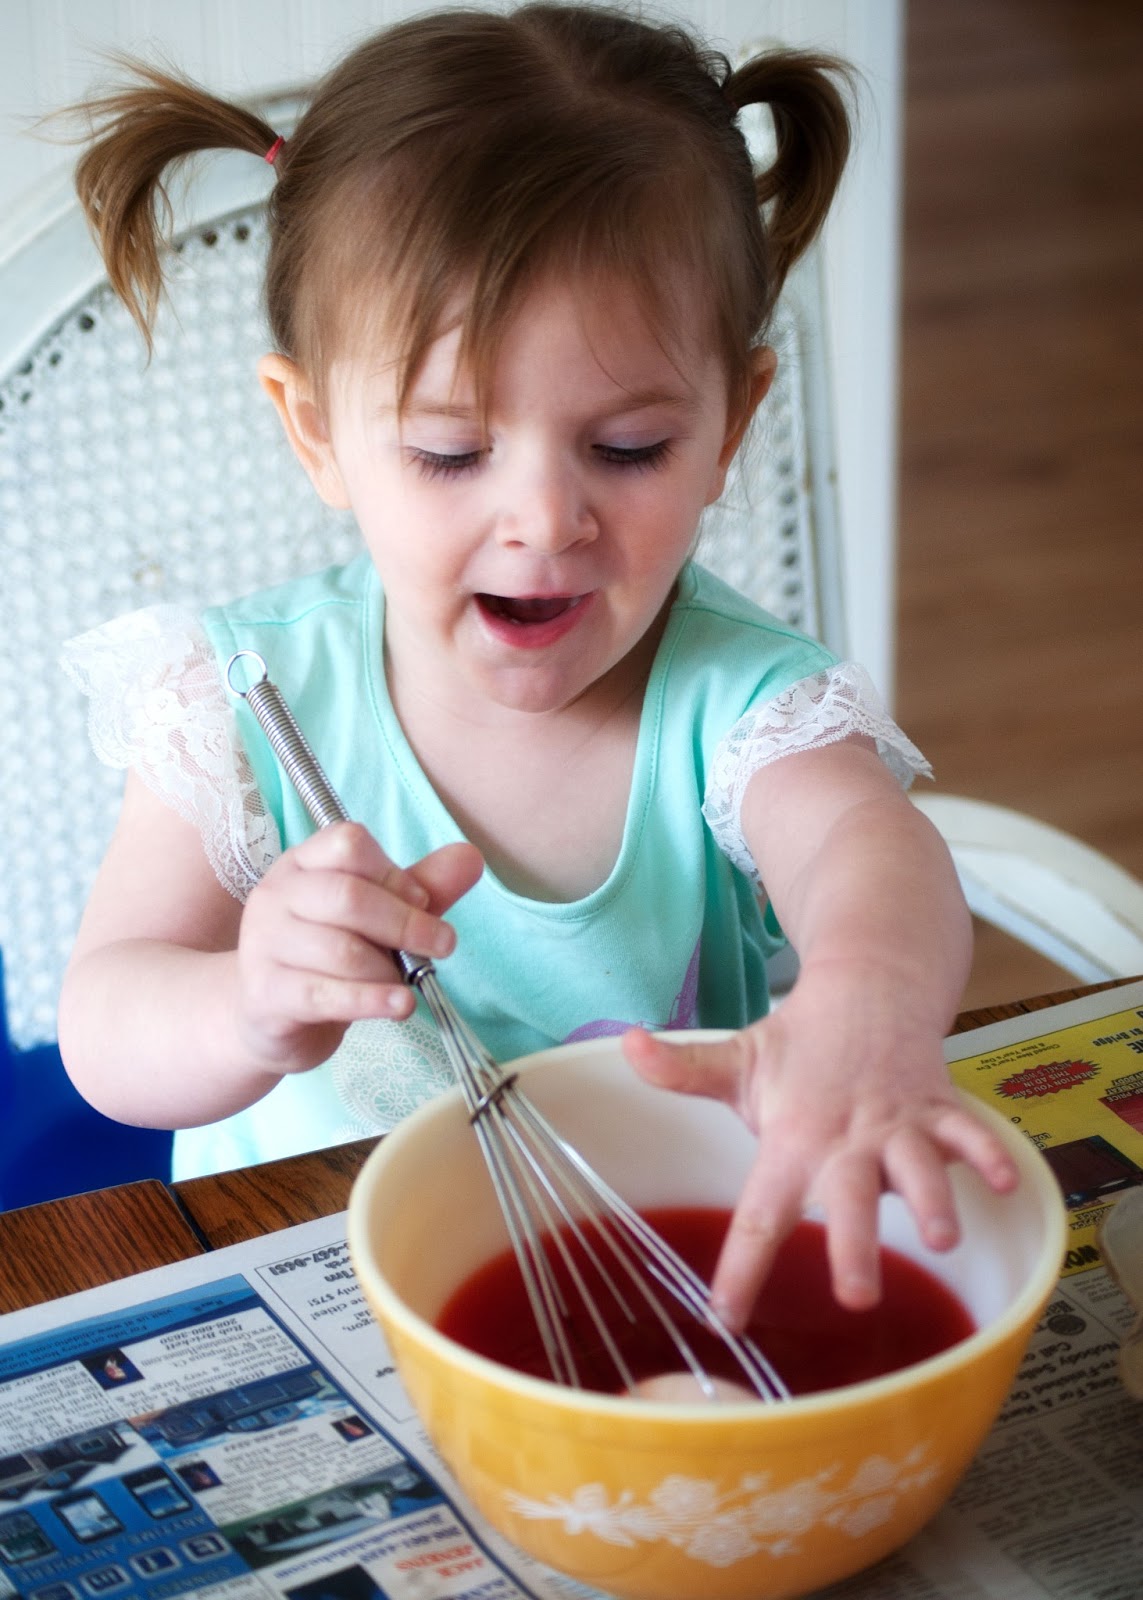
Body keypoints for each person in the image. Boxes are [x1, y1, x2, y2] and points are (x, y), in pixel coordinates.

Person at [57, 2, 1017, 1334]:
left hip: (658, 1279)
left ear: (731, 424)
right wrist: (248, 1004)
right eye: (453, 453)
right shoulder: (236, 706)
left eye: (627, 449)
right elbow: (106, 1028)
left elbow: (871, 852)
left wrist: (869, 1003)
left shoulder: (741, 705)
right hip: (336, 1294)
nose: (547, 520)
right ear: (317, 432)